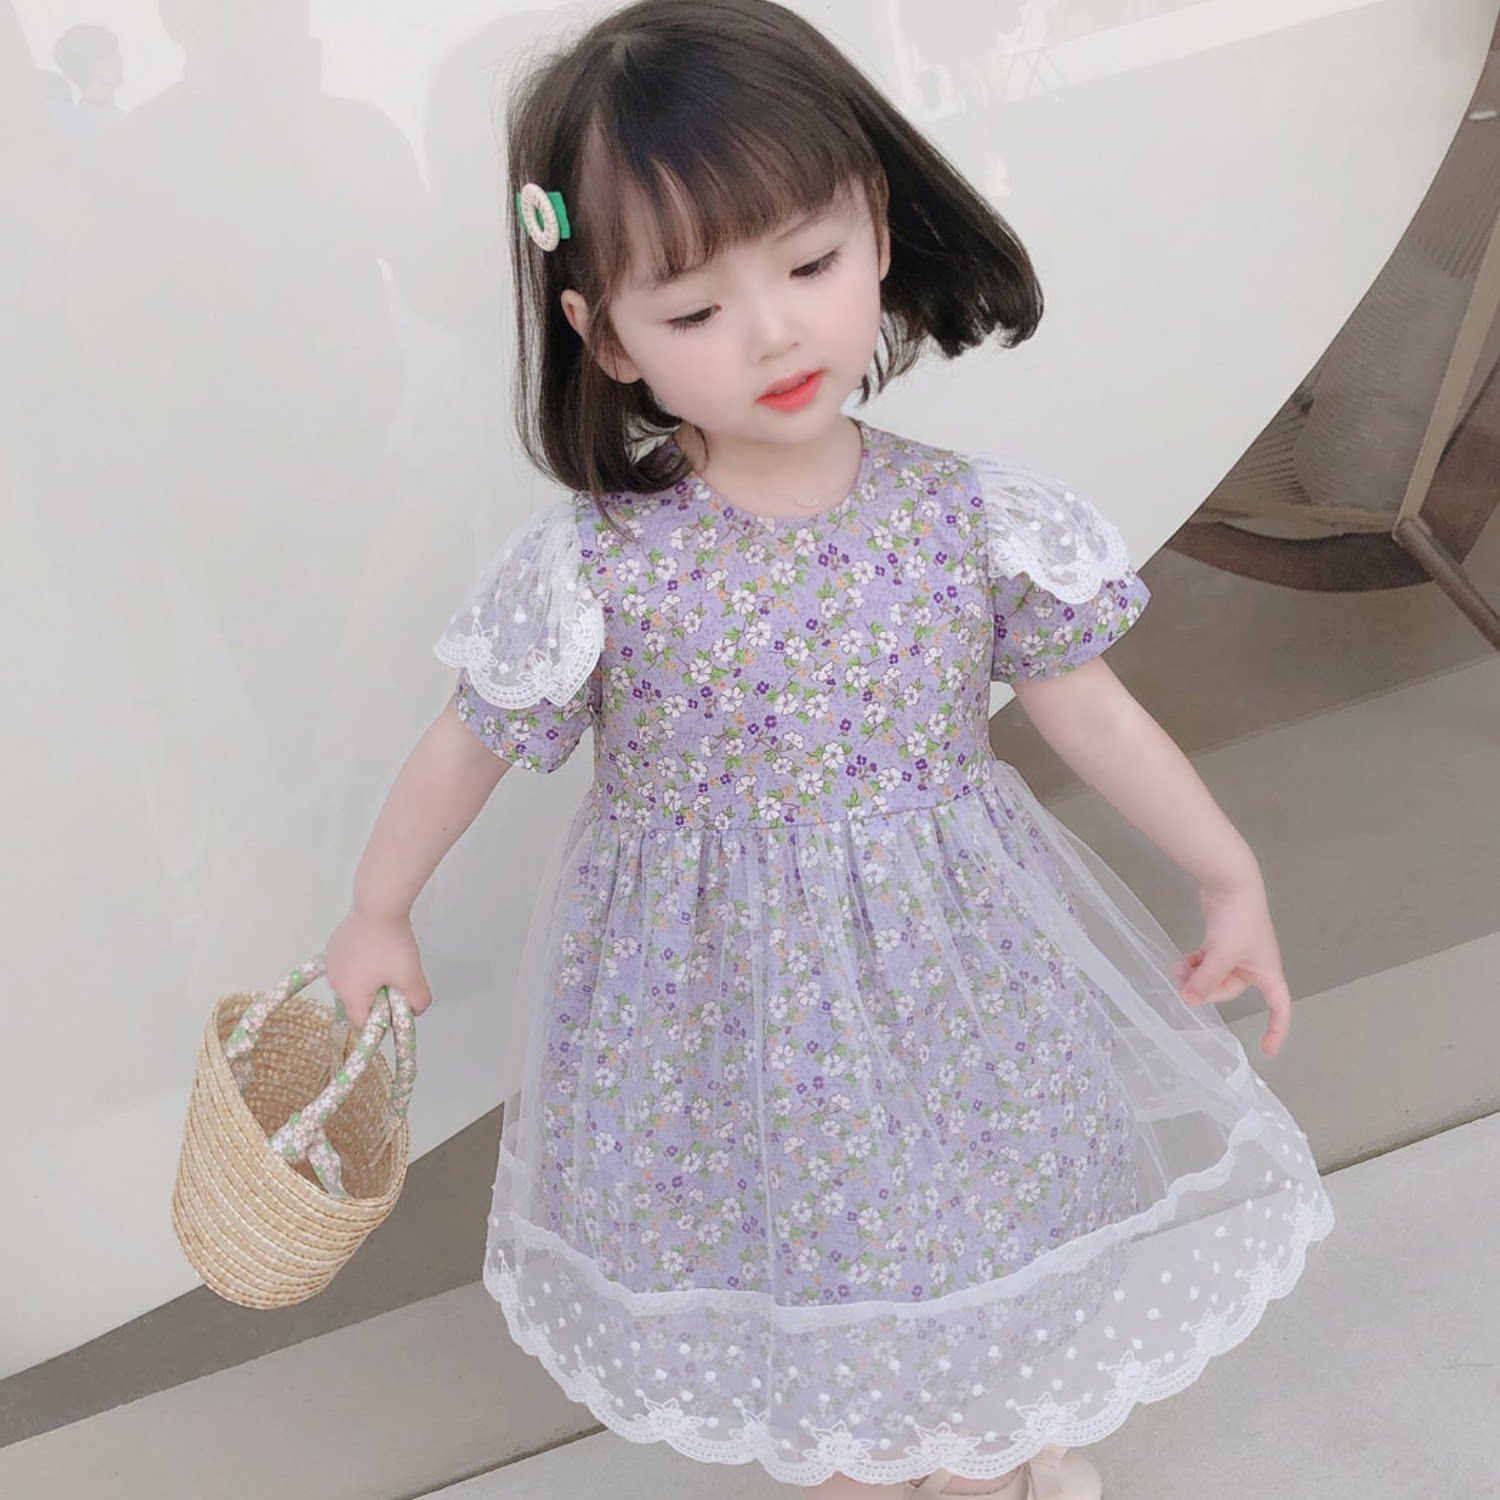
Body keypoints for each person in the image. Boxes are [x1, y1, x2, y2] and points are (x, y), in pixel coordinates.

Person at [324, 2, 1336, 1495]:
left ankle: (1000, 1451)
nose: (775, 331)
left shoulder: (971, 516)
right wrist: (378, 908)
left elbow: (1093, 708)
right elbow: (466, 741)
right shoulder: (598, 566)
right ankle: (873, 1460)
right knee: (797, 1265)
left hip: (952, 970)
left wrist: (1226, 872)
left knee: (981, 1217)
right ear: (604, 335)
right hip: (717, 1008)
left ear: (878, 226)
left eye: (809, 264)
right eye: (694, 310)